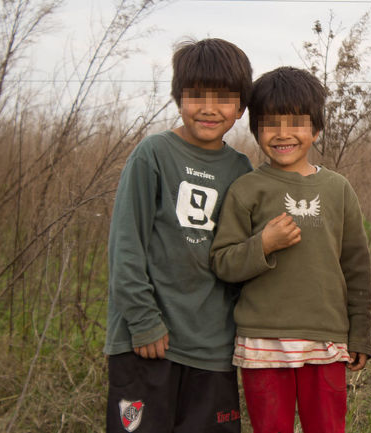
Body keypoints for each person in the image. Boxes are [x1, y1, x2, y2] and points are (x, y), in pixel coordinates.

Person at [210, 67, 371, 433]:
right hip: (262, 341)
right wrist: (262, 246)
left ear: (316, 128)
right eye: (269, 123)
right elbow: (222, 261)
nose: (283, 133)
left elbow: (356, 267)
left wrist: (359, 333)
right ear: (255, 130)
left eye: (296, 122)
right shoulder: (247, 189)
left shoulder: (338, 189)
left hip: (326, 338)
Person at [104, 38, 253, 433]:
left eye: (223, 97)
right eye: (196, 95)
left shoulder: (242, 171)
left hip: (213, 351)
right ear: (177, 98)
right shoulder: (153, 154)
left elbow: (238, 258)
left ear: (240, 107)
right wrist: (143, 320)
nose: (208, 107)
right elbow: (126, 245)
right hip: (148, 345)